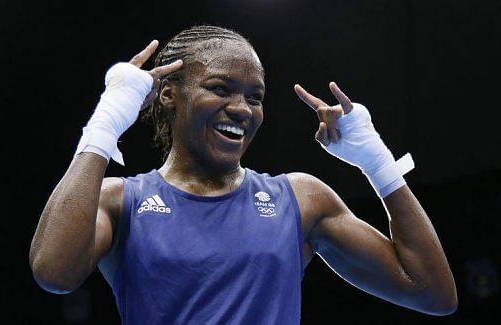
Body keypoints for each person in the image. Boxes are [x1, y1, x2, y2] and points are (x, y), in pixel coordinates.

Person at [29, 25, 457, 324]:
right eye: (220, 88)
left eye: (255, 97)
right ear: (168, 94)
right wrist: (105, 123)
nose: (242, 108)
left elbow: (432, 293)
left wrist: (378, 164)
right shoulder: (120, 201)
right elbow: (54, 273)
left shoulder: (302, 199)